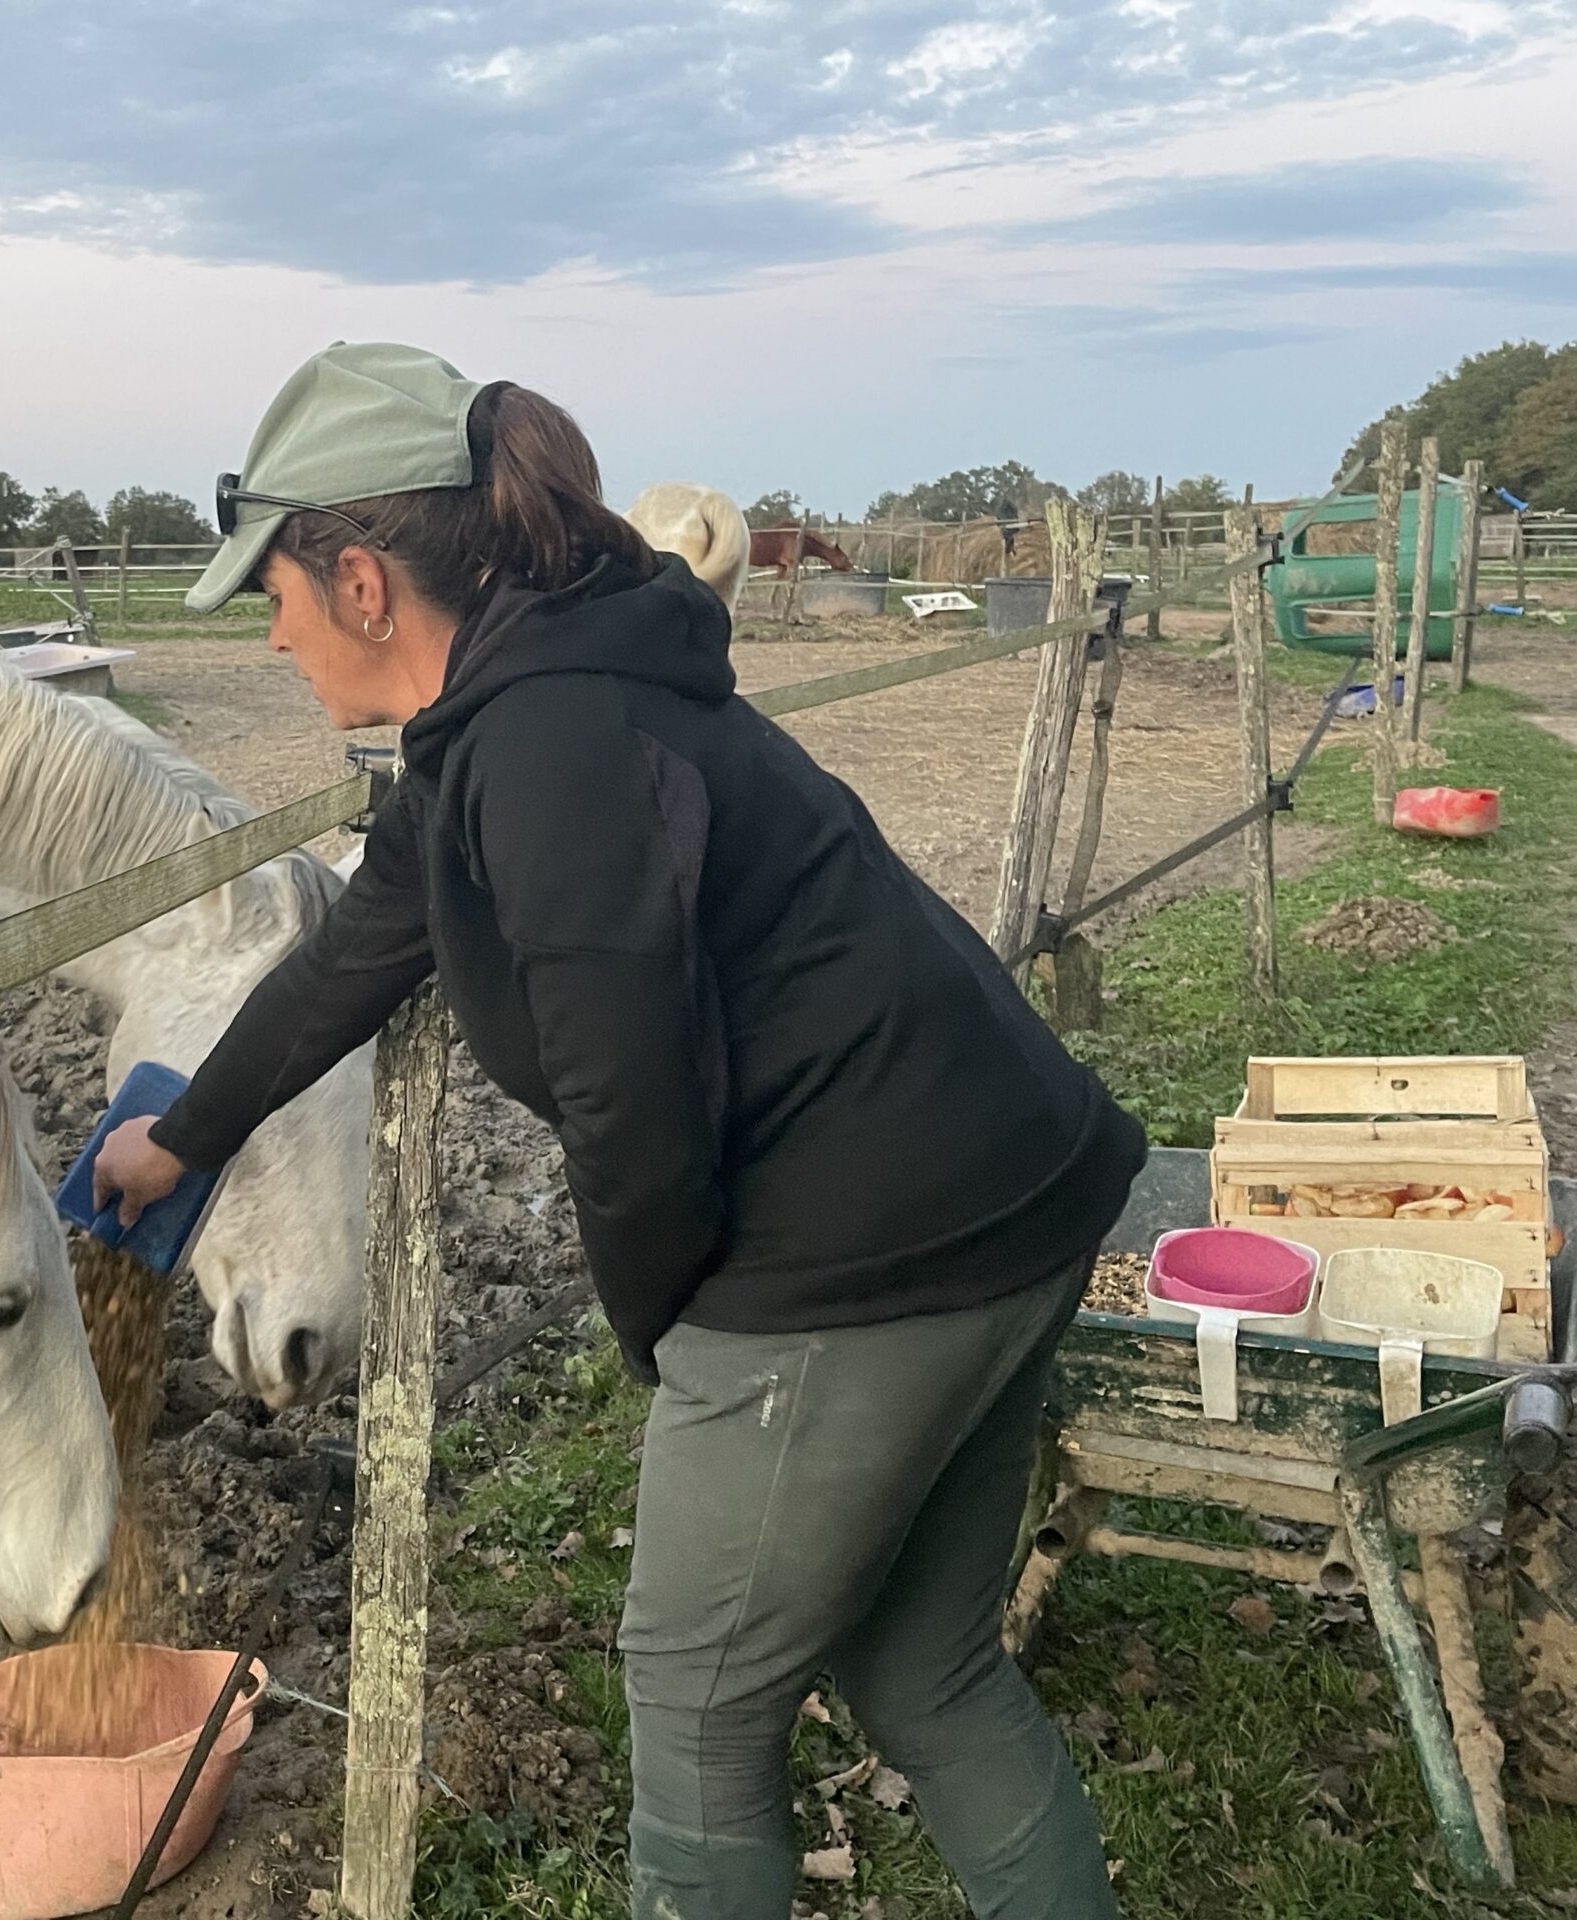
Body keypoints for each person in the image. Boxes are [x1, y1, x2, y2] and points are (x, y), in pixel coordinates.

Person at [92, 341, 1144, 1920]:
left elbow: (630, 1113)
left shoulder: (548, 749)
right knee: (922, 1674)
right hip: (1011, 1181)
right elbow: (354, 956)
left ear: (364, 583)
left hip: (866, 1247)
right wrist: (189, 1137)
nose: (279, 636)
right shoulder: (509, 714)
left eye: (277, 598)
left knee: (700, 1703)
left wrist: (678, 1351)